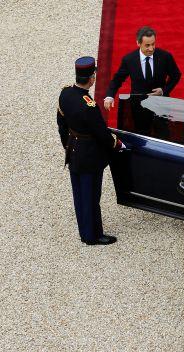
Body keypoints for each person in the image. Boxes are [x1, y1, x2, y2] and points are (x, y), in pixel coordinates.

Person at [57, 56, 125, 245]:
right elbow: (102, 134)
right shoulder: (89, 106)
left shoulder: (65, 94)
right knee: (91, 196)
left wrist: (67, 145)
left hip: (74, 152)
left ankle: (84, 231)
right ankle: (93, 235)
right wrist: (117, 144)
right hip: (90, 157)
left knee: (79, 195)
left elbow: (61, 124)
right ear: (91, 78)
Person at [103, 26, 181, 111]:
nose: (151, 49)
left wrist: (164, 90)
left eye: (153, 44)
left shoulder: (165, 56)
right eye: (147, 45)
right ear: (138, 43)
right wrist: (110, 96)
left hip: (161, 107)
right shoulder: (129, 59)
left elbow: (176, 75)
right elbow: (117, 80)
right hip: (138, 107)